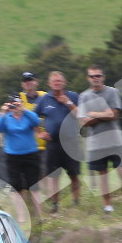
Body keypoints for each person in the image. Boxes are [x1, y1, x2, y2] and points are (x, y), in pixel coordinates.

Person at [78, 64, 122, 213]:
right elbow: (83, 122)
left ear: (103, 77)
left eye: (98, 75)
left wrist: (93, 114)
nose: (95, 78)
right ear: (88, 78)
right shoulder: (84, 96)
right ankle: (108, 206)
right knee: (102, 175)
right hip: (96, 143)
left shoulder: (112, 92)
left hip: (114, 140)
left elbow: (114, 115)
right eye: (92, 76)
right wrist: (104, 114)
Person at [34, 71, 80, 213]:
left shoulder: (73, 96)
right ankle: (55, 204)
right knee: (54, 176)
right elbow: (32, 118)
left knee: (74, 174)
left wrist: (68, 102)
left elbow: (80, 115)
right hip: (53, 144)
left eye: (59, 81)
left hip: (71, 142)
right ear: (49, 83)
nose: (57, 83)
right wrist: (39, 133)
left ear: (64, 82)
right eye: (54, 81)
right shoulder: (44, 99)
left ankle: (76, 202)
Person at [0, 94, 43, 221]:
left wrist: (24, 110)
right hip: (13, 156)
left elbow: (37, 121)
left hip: (31, 154)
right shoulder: (6, 118)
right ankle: (21, 217)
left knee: (34, 186)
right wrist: (3, 112)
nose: (15, 107)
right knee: (17, 188)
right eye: (12, 105)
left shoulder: (27, 115)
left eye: (17, 104)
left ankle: (39, 216)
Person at [18, 71, 47, 154]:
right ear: (22, 84)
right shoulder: (18, 99)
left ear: (36, 82)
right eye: (25, 81)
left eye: (30, 80)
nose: (28, 82)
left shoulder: (45, 96)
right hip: (27, 146)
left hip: (46, 143)